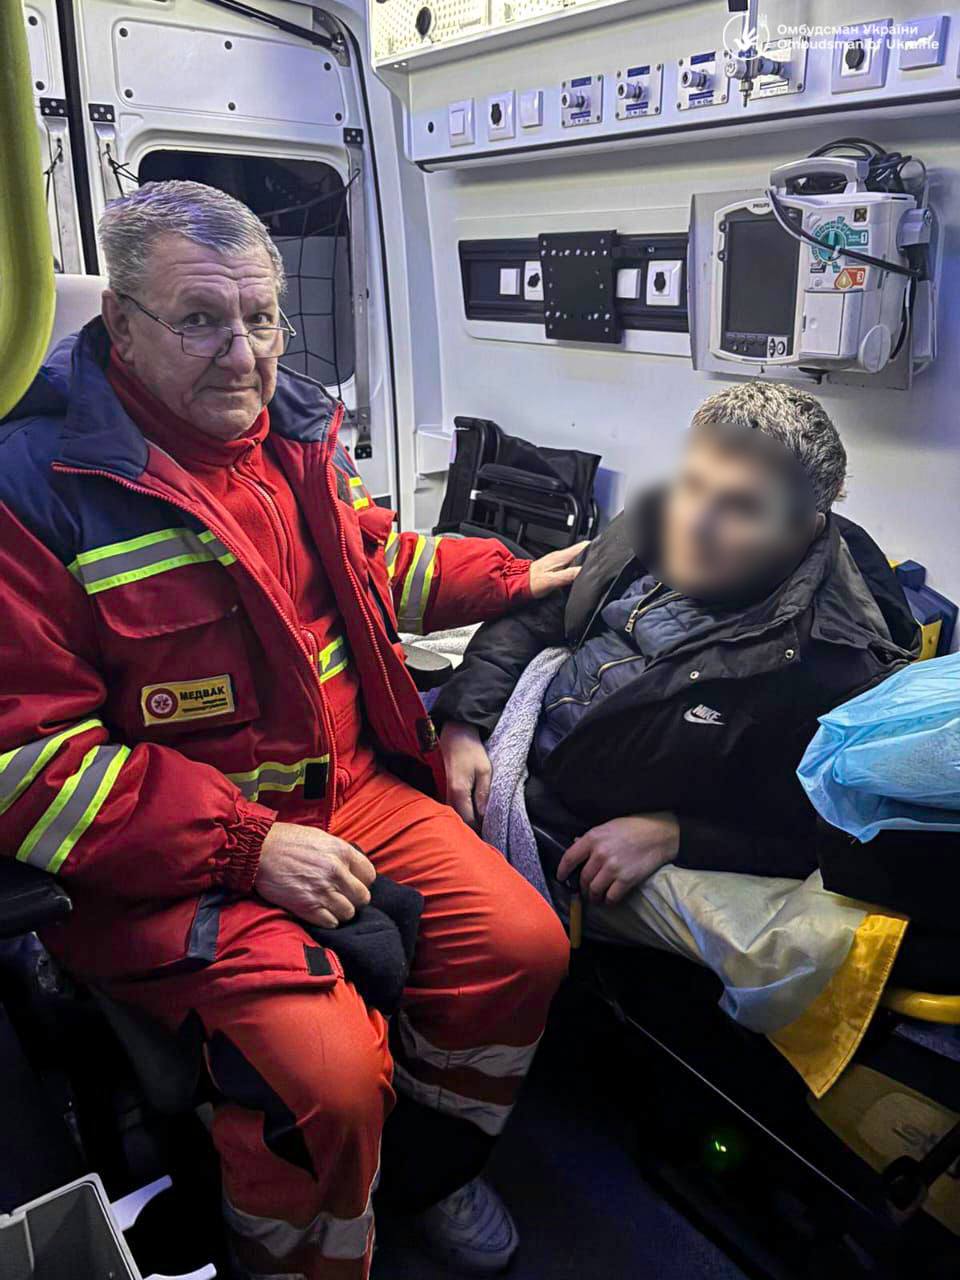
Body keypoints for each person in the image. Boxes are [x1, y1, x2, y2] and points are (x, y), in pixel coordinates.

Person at [0, 180, 578, 1279]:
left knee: (523, 948)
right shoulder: (31, 490)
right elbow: (26, 763)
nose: (244, 354)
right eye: (201, 319)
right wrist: (246, 847)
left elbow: (378, 564)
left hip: (349, 788)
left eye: (262, 317)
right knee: (326, 1078)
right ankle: (297, 1256)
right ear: (120, 322)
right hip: (173, 856)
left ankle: (427, 1172)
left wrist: (515, 577)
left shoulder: (295, 437)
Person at [435, 382, 920, 943]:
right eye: (693, 485)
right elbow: (538, 616)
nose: (697, 522)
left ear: (805, 528)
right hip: (503, 742)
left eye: (741, 507)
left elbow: (820, 830)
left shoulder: (832, 664)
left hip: (567, 817)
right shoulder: (651, 522)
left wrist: (675, 835)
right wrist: (464, 721)